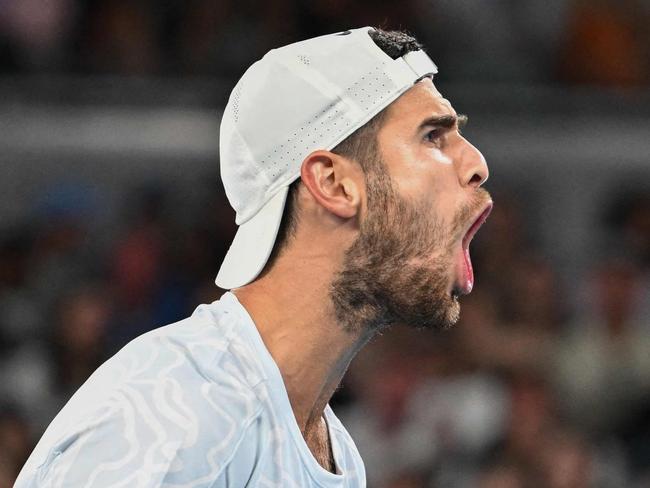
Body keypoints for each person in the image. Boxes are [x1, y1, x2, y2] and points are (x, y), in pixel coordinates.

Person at [15, 26, 491, 487]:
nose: (477, 164)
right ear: (332, 183)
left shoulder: (334, 451)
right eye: (432, 136)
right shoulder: (171, 416)